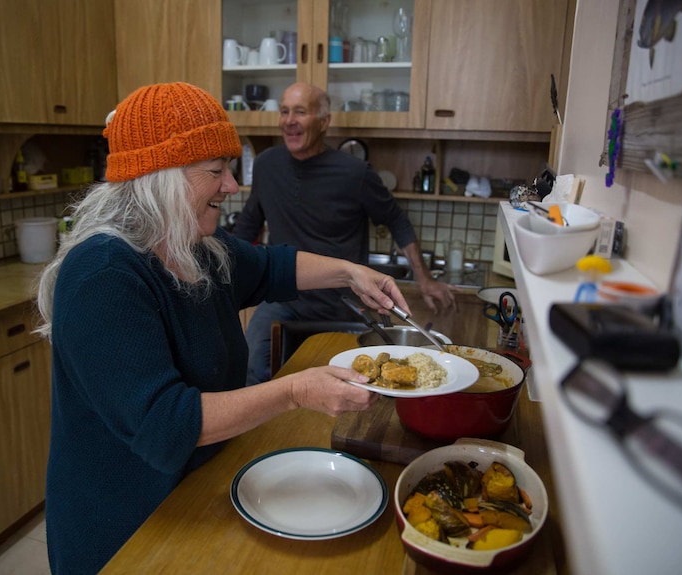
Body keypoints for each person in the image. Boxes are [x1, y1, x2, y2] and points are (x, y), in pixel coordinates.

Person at [34, 82, 409, 574]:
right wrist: (294, 391)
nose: (232, 185)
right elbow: (166, 423)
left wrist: (351, 272)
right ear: (162, 178)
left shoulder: (193, 247)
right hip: (126, 531)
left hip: (198, 496)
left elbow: (274, 266)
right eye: (216, 170)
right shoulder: (104, 274)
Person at [233, 82, 456, 386]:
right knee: (252, 369)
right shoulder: (266, 165)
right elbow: (247, 225)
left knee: (354, 385)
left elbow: (396, 220)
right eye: (284, 111)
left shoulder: (355, 173)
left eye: (300, 112)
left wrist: (424, 279)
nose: (289, 120)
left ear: (324, 122)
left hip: (345, 304)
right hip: (284, 300)